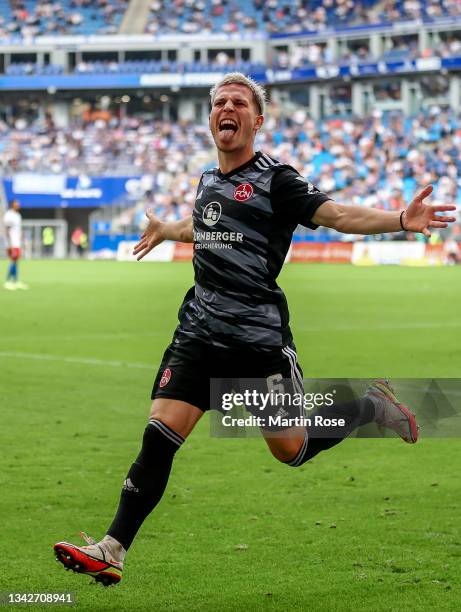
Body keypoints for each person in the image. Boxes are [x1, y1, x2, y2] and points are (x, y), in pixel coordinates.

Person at [54, 73, 456, 587]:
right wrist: (165, 230)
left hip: (258, 344)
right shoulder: (207, 181)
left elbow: (336, 214)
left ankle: (371, 407)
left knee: (291, 450)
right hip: (198, 335)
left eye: (239, 102)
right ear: (210, 119)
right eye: (219, 102)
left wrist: (400, 218)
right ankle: (112, 549)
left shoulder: (277, 181)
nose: (227, 108)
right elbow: (202, 225)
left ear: (256, 120)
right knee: (159, 436)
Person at [3, 199, 28, 290]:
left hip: (17, 242)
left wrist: (21, 241)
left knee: (16, 261)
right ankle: (8, 281)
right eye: (17, 203)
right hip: (11, 243)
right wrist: (9, 244)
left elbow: (18, 230)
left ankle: (16, 281)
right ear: (12, 204)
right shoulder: (8, 215)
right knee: (13, 261)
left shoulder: (18, 215)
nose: (19, 204)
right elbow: (7, 230)